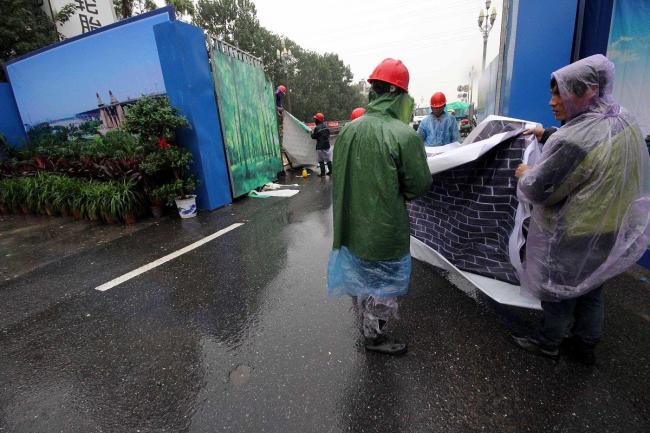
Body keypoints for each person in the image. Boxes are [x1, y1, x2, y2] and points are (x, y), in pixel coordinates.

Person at [512, 54, 650, 365]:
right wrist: (547, 133)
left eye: (559, 94)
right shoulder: (623, 121)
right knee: (591, 287)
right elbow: (593, 144)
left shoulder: (572, 140)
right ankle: (586, 343)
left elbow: (540, 190)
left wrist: (525, 174)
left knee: (559, 291)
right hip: (611, 227)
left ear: (586, 92)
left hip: (575, 231)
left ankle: (548, 342)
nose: (552, 102)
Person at [327, 58, 432, 355]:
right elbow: (419, 185)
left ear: (374, 90)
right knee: (384, 285)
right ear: (400, 95)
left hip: (352, 225)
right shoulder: (404, 135)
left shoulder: (347, 131)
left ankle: (368, 324)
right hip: (385, 230)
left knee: (364, 280)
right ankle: (374, 338)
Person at [310, 112, 331, 177]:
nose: (314, 120)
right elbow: (328, 134)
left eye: (315, 119)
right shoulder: (326, 127)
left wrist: (311, 133)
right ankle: (331, 171)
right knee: (328, 160)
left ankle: (323, 174)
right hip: (327, 145)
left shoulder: (317, 128)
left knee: (321, 160)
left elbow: (314, 137)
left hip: (320, 146)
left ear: (318, 120)